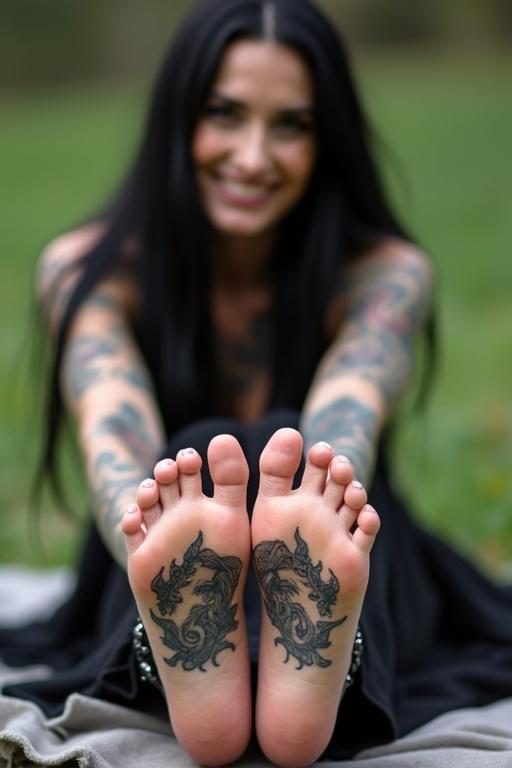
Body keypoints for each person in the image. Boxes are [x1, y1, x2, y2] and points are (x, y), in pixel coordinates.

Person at [1, 0, 512, 766]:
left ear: (327, 137)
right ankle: (211, 631)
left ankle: (291, 626)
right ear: (178, 118)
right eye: (225, 114)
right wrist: (156, 536)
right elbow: (115, 433)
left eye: (290, 125)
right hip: (158, 532)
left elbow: (351, 417)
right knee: (200, 458)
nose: (251, 155)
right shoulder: (91, 273)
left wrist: (310, 517)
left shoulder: (384, 276)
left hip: (346, 534)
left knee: (294, 460)